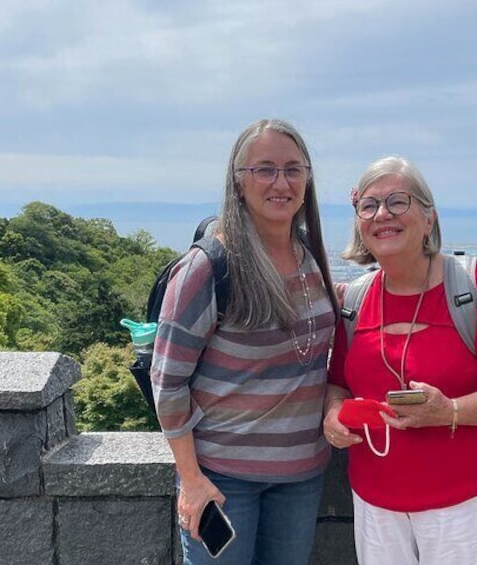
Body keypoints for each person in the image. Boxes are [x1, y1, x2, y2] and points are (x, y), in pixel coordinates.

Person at [323, 156, 477, 565]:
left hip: (464, 501)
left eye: (398, 201)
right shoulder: (355, 300)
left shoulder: (475, 289)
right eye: (368, 206)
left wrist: (449, 411)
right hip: (376, 499)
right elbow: (338, 382)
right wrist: (333, 414)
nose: (382, 214)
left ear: (429, 218)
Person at [151, 118, 340, 564]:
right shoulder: (209, 267)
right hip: (224, 476)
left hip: (301, 476)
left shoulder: (309, 256)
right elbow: (167, 381)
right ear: (238, 183)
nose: (281, 182)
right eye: (265, 169)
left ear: (308, 179)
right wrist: (191, 479)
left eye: (293, 169)